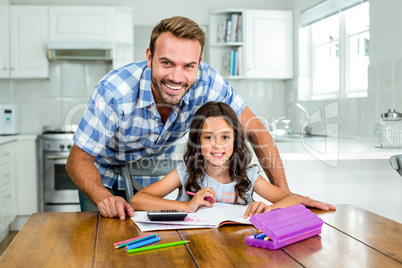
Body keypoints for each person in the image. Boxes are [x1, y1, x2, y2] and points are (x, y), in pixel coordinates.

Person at [66, 16, 335, 221]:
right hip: (101, 175)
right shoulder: (114, 91)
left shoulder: (207, 81)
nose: (176, 77)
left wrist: (285, 198)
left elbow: (255, 131)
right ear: (149, 58)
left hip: (149, 173)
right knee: (102, 245)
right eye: (166, 63)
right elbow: (79, 158)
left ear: (199, 63)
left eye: (188, 66)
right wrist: (104, 197)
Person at [131, 102, 300, 217]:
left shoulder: (248, 176)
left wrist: (269, 209)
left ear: (235, 140)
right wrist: (187, 206)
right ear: (197, 141)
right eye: (208, 138)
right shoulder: (185, 172)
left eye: (225, 137)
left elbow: (292, 200)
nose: (217, 145)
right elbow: (137, 200)